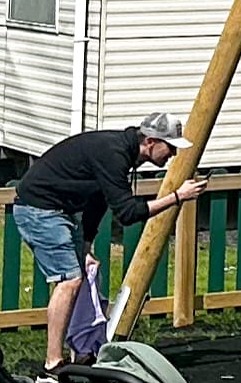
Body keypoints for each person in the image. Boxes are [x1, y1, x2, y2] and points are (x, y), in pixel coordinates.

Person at [12, 113, 196, 370]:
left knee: (84, 276)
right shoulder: (114, 153)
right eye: (171, 148)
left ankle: (83, 352)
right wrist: (176, 197)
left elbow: (99, 199)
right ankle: (52, 365)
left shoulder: (124, 151)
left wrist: (87, 243)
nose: (173, 155)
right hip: (39, 209)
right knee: (69, 281)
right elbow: (128, 213)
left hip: (62, 210)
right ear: (152, 141)